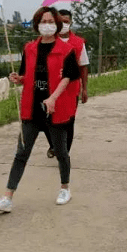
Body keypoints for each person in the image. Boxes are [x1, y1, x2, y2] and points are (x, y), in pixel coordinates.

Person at [0, 6, 81, 212]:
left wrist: (53, 97)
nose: (46, 25)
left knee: (61, 151)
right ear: (36, 24)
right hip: (32, 109)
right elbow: (26, 77)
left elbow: (68, 76)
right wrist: (18, 79)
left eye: (50, 22)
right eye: (42, 21)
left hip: (55, 108)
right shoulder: (29, 49)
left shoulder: (66, 49)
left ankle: (65, 188)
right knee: (21, 152)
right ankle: (7, 196)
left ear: (57, 25)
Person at [41, 9, 90, 159]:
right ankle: (54, 145)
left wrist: (84, 89)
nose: (63, 24)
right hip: (49, 88)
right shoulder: (46, 41)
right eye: (60, 21)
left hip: (71, 89)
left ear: (71, 23)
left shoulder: (78, 43)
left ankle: (64, 152)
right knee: (46, 120)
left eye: (66, 22)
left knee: (69, 121)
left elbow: (83, 67)